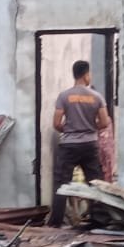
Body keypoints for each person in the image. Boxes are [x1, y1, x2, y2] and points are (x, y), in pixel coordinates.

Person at [48, 59, 111, 227]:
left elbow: (56, 123)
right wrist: (90, 127)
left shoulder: (64, 96)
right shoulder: (96, 97)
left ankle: (56, 223)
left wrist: (69, 130)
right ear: (86, 74)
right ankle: (99, 221)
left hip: (69, 145)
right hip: (90, 144)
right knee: (95, 182)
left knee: (61, 184)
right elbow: (104, 123)